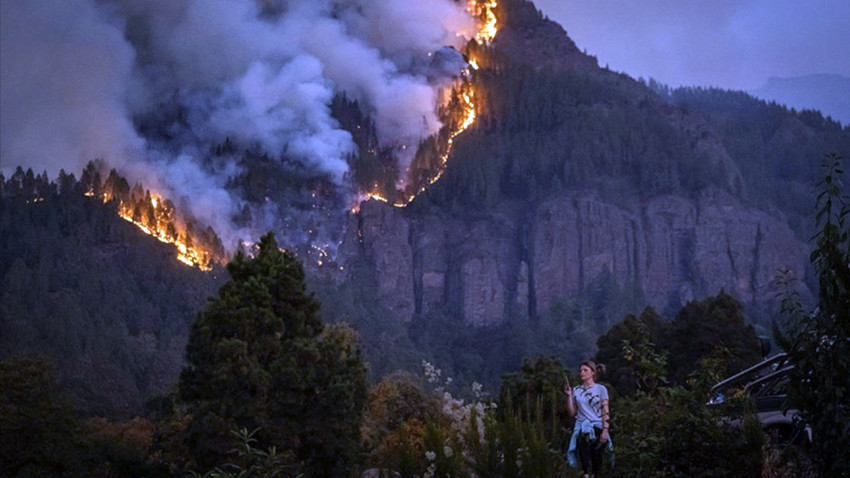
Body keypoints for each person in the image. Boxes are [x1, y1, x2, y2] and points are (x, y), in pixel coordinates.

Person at [565, 360, 612, 477]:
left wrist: (605, 430)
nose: (582, 373)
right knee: (584, 460)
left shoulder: (601, 389)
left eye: (585, 370)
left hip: (597, 426)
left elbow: (605, 411)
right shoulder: (576, 390)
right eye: (581, 370)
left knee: (597, 460)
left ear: (592, 373)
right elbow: (572, 413)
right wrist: (569, 396)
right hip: (582, 427)